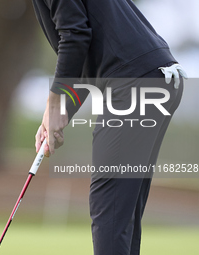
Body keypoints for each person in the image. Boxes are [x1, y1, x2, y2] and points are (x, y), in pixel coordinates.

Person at [32, 0, 187, 254]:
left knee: (110, 211)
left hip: (136, 82)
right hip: (154, 78)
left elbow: (75, 36)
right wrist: (57, 115)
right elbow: (84, 64)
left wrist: (54, 102)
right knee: (121, 216)